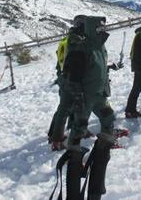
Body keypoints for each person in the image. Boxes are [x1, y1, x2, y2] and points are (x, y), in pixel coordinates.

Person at [51, 16, 116, 200]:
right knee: (79, 127)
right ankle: (74, 158)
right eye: (99, 28)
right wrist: (77, 96)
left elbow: (100, 69)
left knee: (109, 118)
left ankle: (104, 149)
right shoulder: (81, 49)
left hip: (99, 95)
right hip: (85, 96)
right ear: (91, 29)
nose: (102, 29)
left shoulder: (100, 47)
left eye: (103, 27)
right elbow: (73, 77)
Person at [48, 15, 86, 147]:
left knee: (65, 107)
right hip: (69, 78)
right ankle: (57, 139)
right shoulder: (76, 39)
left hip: (64, 76)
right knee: (66, 107)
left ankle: (55, 135)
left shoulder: (69, 38)